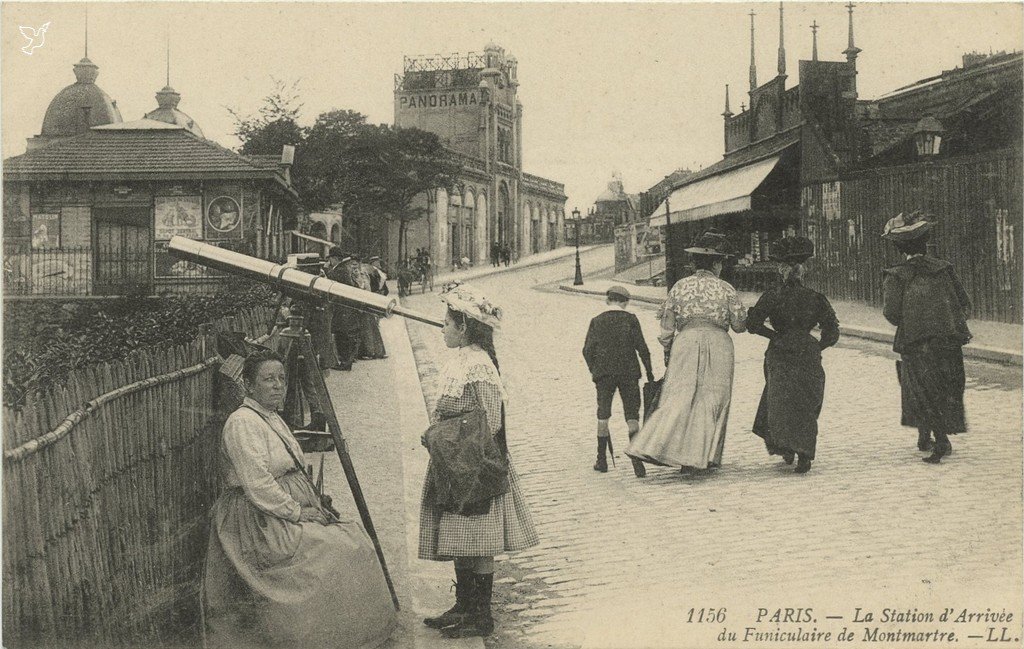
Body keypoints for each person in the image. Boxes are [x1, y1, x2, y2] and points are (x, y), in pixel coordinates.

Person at [203, 349, 396, 649]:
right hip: (257, 520)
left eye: (282, 378)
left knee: (353, 538)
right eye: (268, 379)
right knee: (334, 550)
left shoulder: (270, 416)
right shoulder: (243, 423)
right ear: (249, 385)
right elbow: (257, 484)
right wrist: (297, 511)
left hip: (279, 509)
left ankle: (341, 632)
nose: (278, 385)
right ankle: (312, 638)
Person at [419, 282, 538, 638]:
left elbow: (491, 419)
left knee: (479, 537)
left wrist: (447, 435)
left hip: (475, 464)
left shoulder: (479, 365)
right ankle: (464, 605)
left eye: (447, 322)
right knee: (459, 534)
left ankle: (481, 614)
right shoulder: (459, 360)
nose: (442, 328)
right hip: (454, 462)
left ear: (464, 327)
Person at [626, 230, 746, 473]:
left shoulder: (680, 287)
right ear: (715, 264)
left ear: (694, 264)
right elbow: (739, 326)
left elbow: (667, 326)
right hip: (719, 344)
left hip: (686, 343)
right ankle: (704, 456)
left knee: (679, 398)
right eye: (720, 262)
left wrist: (668, 353)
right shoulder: (726, 289)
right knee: (713, 400)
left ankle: (668, 449)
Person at [881, 211, 971, 464]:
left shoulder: (897, 275)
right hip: (948, 340)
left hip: (916, 342)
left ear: (899, 248)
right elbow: (963, 302)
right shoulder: (944, 269)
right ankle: (925, 437)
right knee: (944, 386)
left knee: (918, 387)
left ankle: (939, 440)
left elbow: (891, 314)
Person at [746, 237, 839, 474]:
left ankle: (785, 447)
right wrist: (817, 346)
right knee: (807, 401)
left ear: (781, 270)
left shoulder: (772, 295)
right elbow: (832, 331)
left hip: (780, 351)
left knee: (780, 400)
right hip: (807, 352)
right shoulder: (815, 297)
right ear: (802, 271)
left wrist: (773, 336)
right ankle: (804, 453)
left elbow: (753, 323)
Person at [582, 285, 654, 476]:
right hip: (628, 373)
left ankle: (602, 460)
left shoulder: (596, 321)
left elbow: (587, 350)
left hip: (604, 375)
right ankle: (637, 460)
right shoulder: (630, 319)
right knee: (632, 416)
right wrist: (650, 373)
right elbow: (643, 348)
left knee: (603, 415)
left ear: (608, 300)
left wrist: (594, 370)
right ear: (625, 302)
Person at [326, 248, 361, 370]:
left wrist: (325, 271)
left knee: (342, 335)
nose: (329, 261)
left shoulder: (340, 269)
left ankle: (345, 363)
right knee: (343, 334)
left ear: (334, 258)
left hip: (343, 308)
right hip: (344, 308)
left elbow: (331, 280)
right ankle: (345, 362)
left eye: (330, 258)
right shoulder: (343, 268)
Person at [356, 256, 387, 360]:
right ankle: (378, 351)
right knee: (372, 327)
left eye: (355, 264)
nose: (354, 266)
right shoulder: (368, 271)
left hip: (365, 302)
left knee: (367, 327)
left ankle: (369, 351)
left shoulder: (361, 274)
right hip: (369, 301)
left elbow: (365, 288)